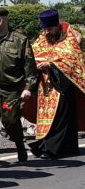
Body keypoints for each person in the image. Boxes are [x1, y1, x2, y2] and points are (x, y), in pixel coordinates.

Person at [27, 9, 85, 158]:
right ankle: (50, 146)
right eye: (45, 29)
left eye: (50, 28)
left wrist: (50, 64)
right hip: (45, 86)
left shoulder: (69, 38)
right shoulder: (43, 37)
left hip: (63, 85)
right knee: (47, 117)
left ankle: (55, 149)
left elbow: (72, 60)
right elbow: (34, 52)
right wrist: (37, 63)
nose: (47, 32)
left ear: (57, 26)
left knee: (61, 118)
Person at [0, 7, 37, 164]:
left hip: (11, 89)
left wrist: (29, 87)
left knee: (10, 121)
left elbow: (30, 66)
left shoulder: (20, 40)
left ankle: (19, 144)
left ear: (6, 20)